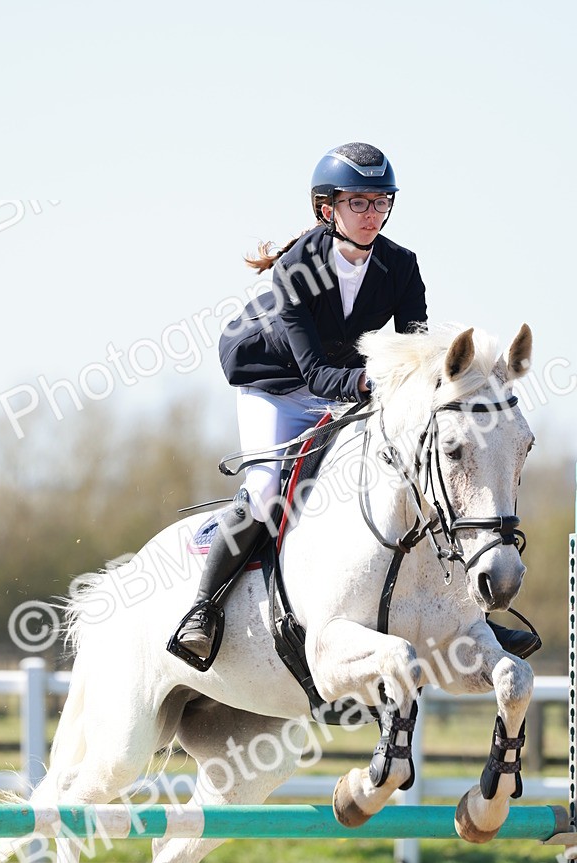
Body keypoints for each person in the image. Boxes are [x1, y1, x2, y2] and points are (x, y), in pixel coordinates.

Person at [168, 141, 539, 668]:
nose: (372, 214)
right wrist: (377, 384)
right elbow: (316, 374)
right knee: (268, 487)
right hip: (275, 381)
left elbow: (419, 350)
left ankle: (469, 616)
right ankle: (202, 610)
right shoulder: (298, 268)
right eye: (358, 203)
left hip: (343, 376)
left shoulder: (401, 266)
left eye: (380, 203)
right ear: (328, 209)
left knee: (421, 475)